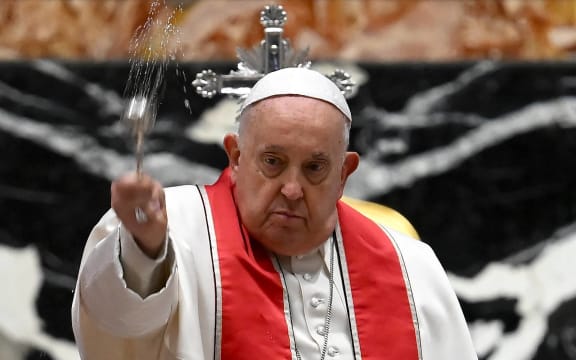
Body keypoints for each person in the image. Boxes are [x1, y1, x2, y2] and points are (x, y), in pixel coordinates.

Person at [72, 67, 478, 359]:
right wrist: (145, 253)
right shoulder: (173, 228)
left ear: (344, 174)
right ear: (235, 155)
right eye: (272, 161)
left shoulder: (412, 267)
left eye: (315, 168)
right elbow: (116, 328)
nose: (291, 188)